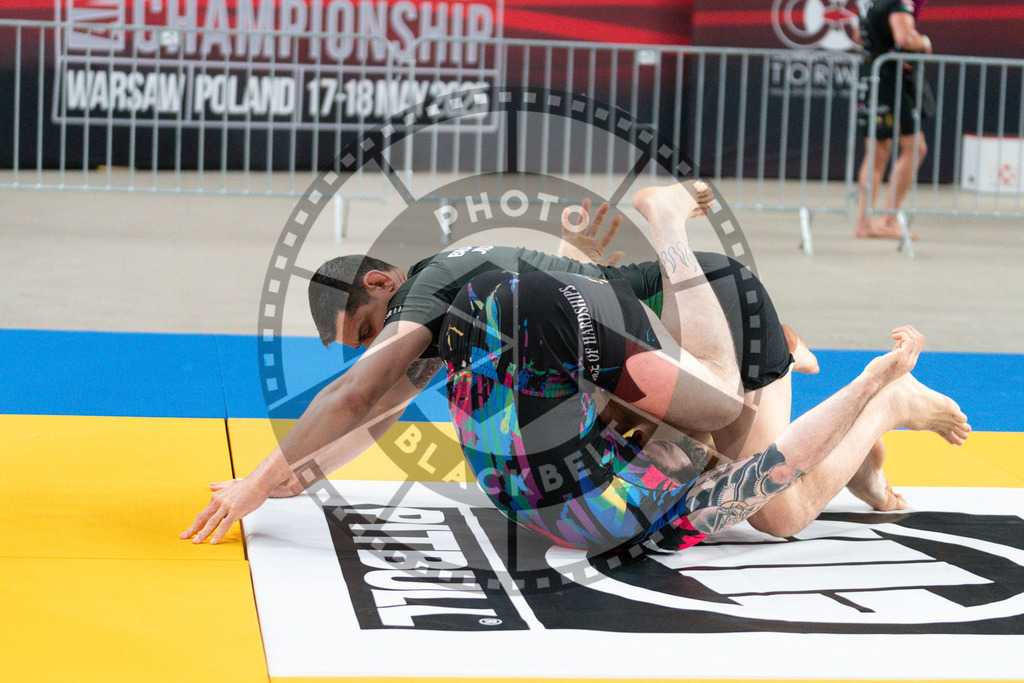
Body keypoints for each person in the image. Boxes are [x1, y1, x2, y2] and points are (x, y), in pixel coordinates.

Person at [182, 184, 968, 547]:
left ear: (384, 286)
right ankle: (865, 451)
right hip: (654, 335)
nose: (374, 352)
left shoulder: (430, 294)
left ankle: (889, 404)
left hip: (707, 312)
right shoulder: (445, 316)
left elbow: (359, 395)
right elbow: (366, 413)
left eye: (365, 329)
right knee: (742, 467)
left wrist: (260, 483)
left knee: (779, 511)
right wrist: (278, 477)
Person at [854, 0, 933, 240]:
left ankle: (865, 222)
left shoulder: (871, 2)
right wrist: (925, 43)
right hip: (889, 79)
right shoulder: (899, 2)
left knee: (877, 152)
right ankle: (887, 219)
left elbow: (859, 36)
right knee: (914, 148)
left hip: (871, 75)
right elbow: (905, 39)